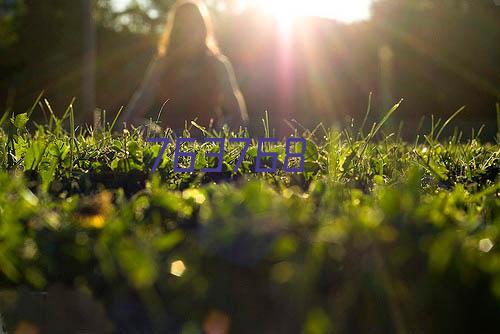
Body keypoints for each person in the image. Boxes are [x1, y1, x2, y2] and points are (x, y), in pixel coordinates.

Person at [122, 0, 248, 131]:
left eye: (193, 25)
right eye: (183, 25)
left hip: (207, 139)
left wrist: (216, 133)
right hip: (170, 140)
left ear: (202, 28)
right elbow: (141, 100)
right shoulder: (162, 64)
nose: (188, 31)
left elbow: (238, 115)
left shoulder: (218, 64)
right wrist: (125, 125)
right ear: (176, 29)